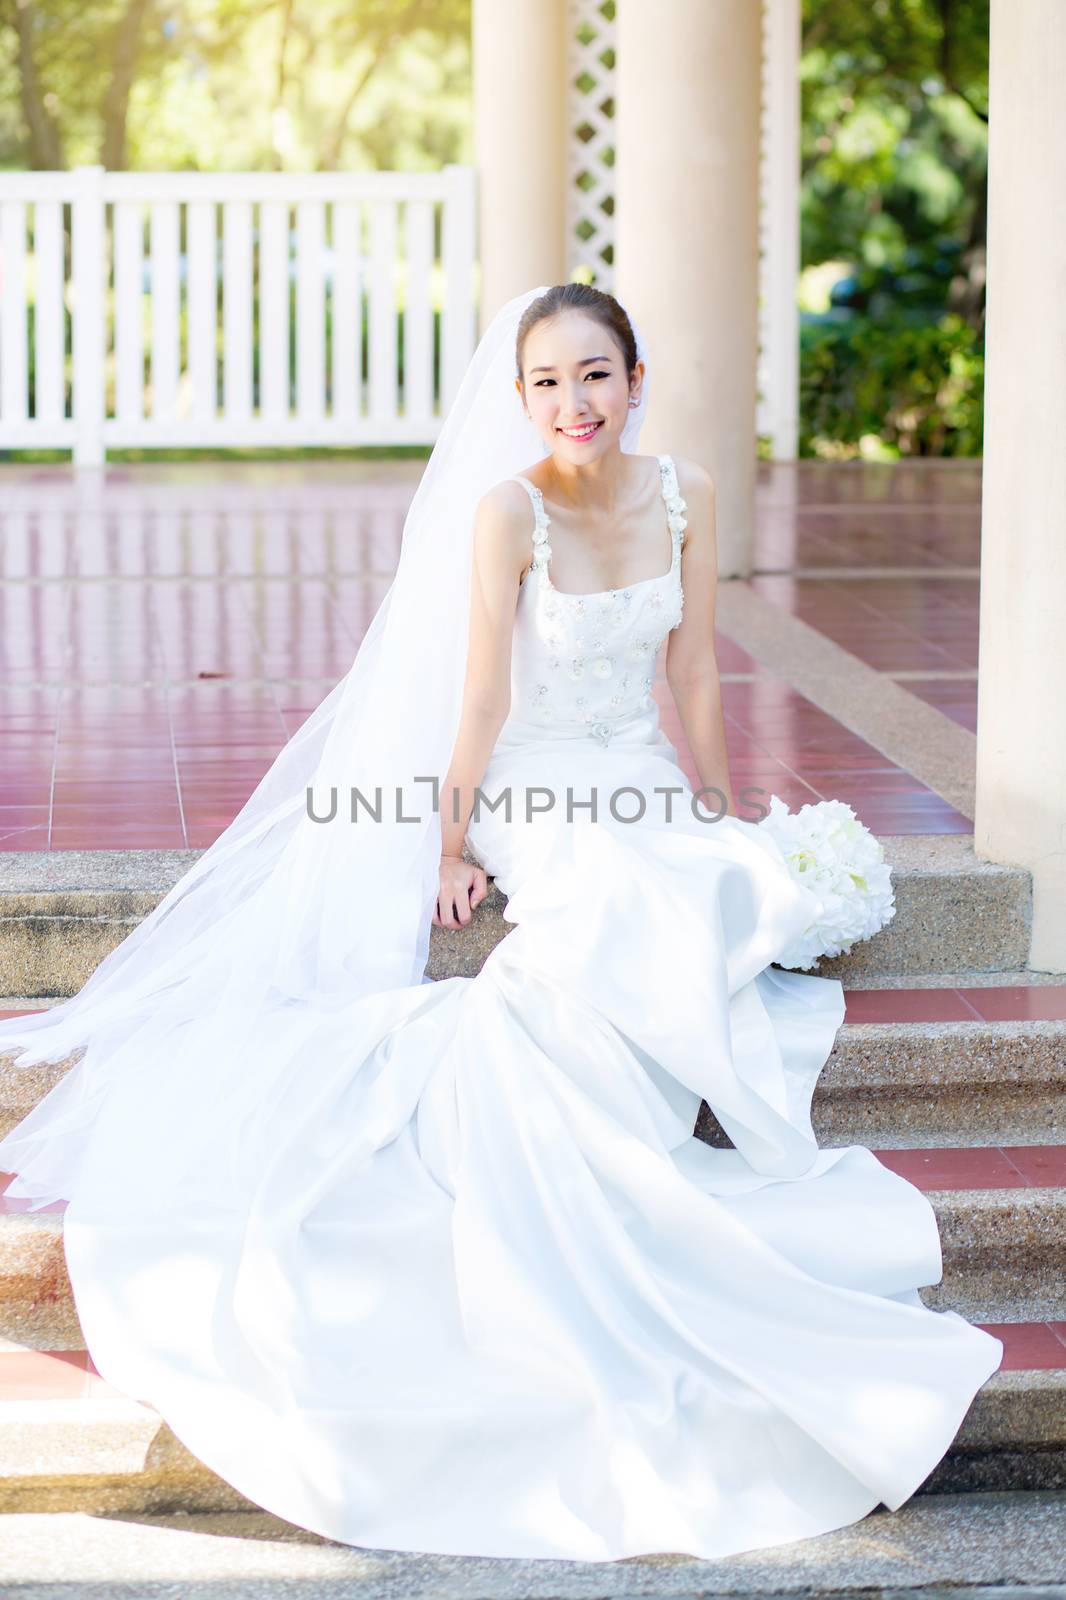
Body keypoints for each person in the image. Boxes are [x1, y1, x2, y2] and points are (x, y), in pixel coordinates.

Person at [0, 284, 1002, 1564]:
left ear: (636, 377)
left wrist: (715, 799)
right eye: (544, 382)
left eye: (594, 375)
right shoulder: (505, 509)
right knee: (612, 898)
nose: (571, 403)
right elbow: (479, 688)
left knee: (706, 879)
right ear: (520, 397)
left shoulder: (683, 493)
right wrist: (453, 836)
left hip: (636, 762)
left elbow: (692, 669)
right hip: (537, 779)